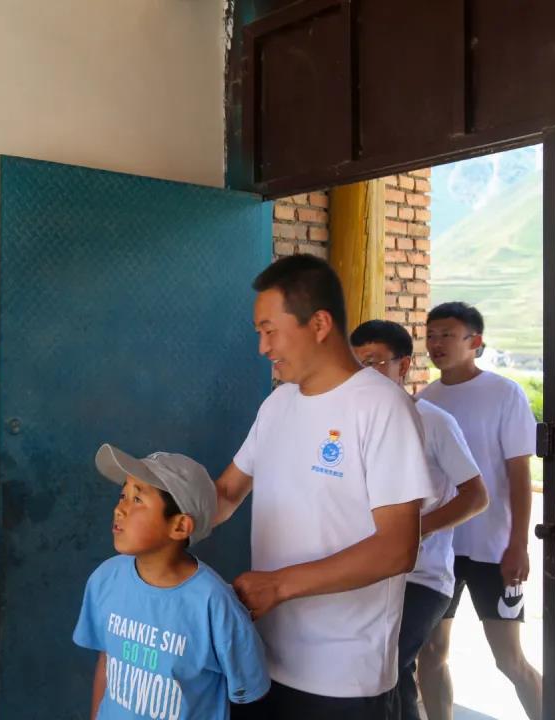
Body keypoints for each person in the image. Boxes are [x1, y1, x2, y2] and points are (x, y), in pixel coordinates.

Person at [215, 254, 434, 719]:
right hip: (262, 660)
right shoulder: (277, 405)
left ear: (318, 323)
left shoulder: (381, 407)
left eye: (270, 331)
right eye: (259, 333)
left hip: (342, 678)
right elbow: (227, 493)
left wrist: (278, 586)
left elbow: (397, 548)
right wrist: (162, 513)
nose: (263, 347)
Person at [350, 319, 489, 719]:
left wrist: (414, 530)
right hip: (367, 573)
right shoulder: (352, 424)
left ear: (404, 365)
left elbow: (476, 496)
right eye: (356, 364)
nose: (363, 374)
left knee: (390, 669)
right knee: (373, 676)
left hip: (421, 577)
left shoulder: (434, 422)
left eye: (374, 362)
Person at [73, 444, 270, 719]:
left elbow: (249, 692)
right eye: (123, 495)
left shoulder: (214, 603)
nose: (119, 509)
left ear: (180, 526)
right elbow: (107, 661)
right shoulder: (106, 579)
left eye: (137, 499)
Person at [415, 302, 541, 720]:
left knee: (509, 659)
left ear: (476, 341)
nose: (436, 343)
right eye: (431, 335)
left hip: (493, 548)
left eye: (447, 335)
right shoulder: (424, 401)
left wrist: (518, 545)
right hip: (440, 550)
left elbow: (519, 475)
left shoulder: (505, 393)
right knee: (431, 652)